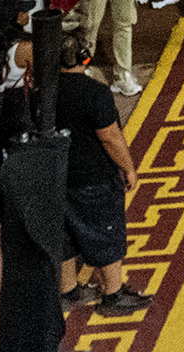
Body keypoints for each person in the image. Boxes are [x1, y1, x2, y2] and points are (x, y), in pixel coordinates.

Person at [55, 27, 147, 319]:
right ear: (85, 57)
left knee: (65, 233)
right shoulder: (95, 93)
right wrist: (129, 167)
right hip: (93, 178)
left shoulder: (41, 90)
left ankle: (68, 290)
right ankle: (113, 294)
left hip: (57, 176)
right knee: (106, 234)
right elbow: (110, 138)